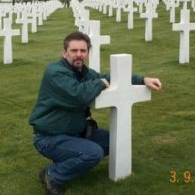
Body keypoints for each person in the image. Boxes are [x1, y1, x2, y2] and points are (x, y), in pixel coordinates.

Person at [29, 31, 162, 194]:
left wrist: (142, 80)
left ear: (88, 52)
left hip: (76, 132)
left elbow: (110, 78)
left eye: (83, 51)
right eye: (74, 50)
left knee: (116, 141)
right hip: (49, 136)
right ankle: (53, 174)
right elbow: (78, 95)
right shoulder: (55, 72)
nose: (79, 55)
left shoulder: (85, 72)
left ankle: (67, 158)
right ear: (64, 52)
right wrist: (99, 83)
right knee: (93, 153)